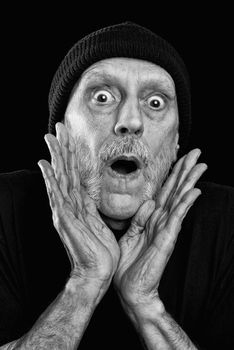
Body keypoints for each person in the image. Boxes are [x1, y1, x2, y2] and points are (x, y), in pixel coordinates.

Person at [0, 21, 233, 349]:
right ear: (62, 128)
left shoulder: (226, 221)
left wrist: (146, 306)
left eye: (155, 103)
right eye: (102, 97)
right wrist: (84, 284)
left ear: (176, 141)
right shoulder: (6, 205)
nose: (131, 122)